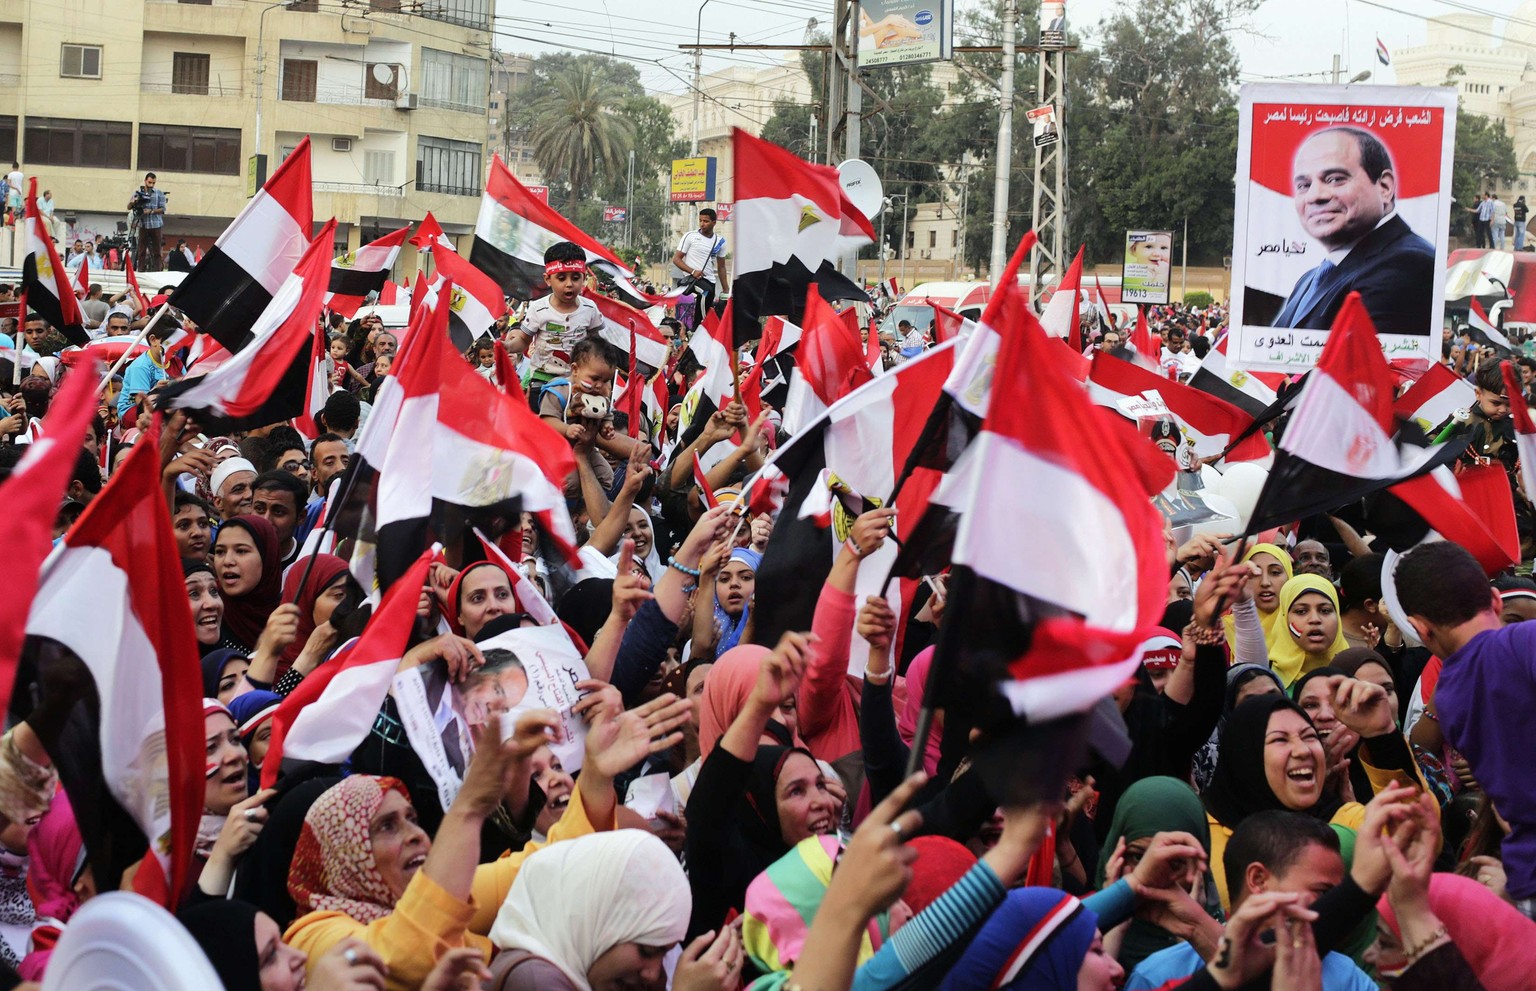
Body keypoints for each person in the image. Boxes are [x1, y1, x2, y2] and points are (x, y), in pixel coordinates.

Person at [1395, 540, 1536, 917]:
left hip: (1525, 882)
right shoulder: (1527, 640)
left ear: (1420, 629)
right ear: (1495, 600)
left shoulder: (1450, 699)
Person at [1125, 810, 1375, 990]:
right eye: (1323, 892)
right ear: (1258, 879)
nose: (1336, 907)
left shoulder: (1346, 977)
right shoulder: (1158, 976)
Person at [1269, 127, 1435, 332]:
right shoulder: (1308, 280)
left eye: (1335, 179)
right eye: (1304, 185)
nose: (1314, 196)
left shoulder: (1407, 266)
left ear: (1384, 187)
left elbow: (1355, 360)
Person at [507, 241, 604, 400]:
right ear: (548, 279)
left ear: (584, 278)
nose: (569, 284)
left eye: (575, 278)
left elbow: (596, 342)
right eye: (561, 278)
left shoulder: (590, 308)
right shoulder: (537, 308)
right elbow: (524, 340)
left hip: (577, 382)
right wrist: (507, 346)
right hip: (541, 381)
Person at [672, 209, 729, 314]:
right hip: (692, 279)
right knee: (705, 292)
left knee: (708, 305)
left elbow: (721, 267)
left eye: (706, 221)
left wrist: (726, 290)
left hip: (710, 281)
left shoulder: (720, 241)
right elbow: (676, 259)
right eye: (700, 220)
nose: (702, 224)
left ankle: (696, 328)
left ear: (714, 223)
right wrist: (693, 271)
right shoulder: (690, 236)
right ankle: (700, 324)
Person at [129, 172, 167, 271]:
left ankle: (157, 270)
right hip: (143, 224)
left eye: (153, 183)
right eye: (149, 182)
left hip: (156, 225)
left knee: (157, 250)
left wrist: (151, 211)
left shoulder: (159, 193)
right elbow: (129, 206)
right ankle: (141, 270)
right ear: (145, 181)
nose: (151, 185)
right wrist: (134, 202)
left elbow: (163, 209)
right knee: (141, 250)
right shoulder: (137, 193)